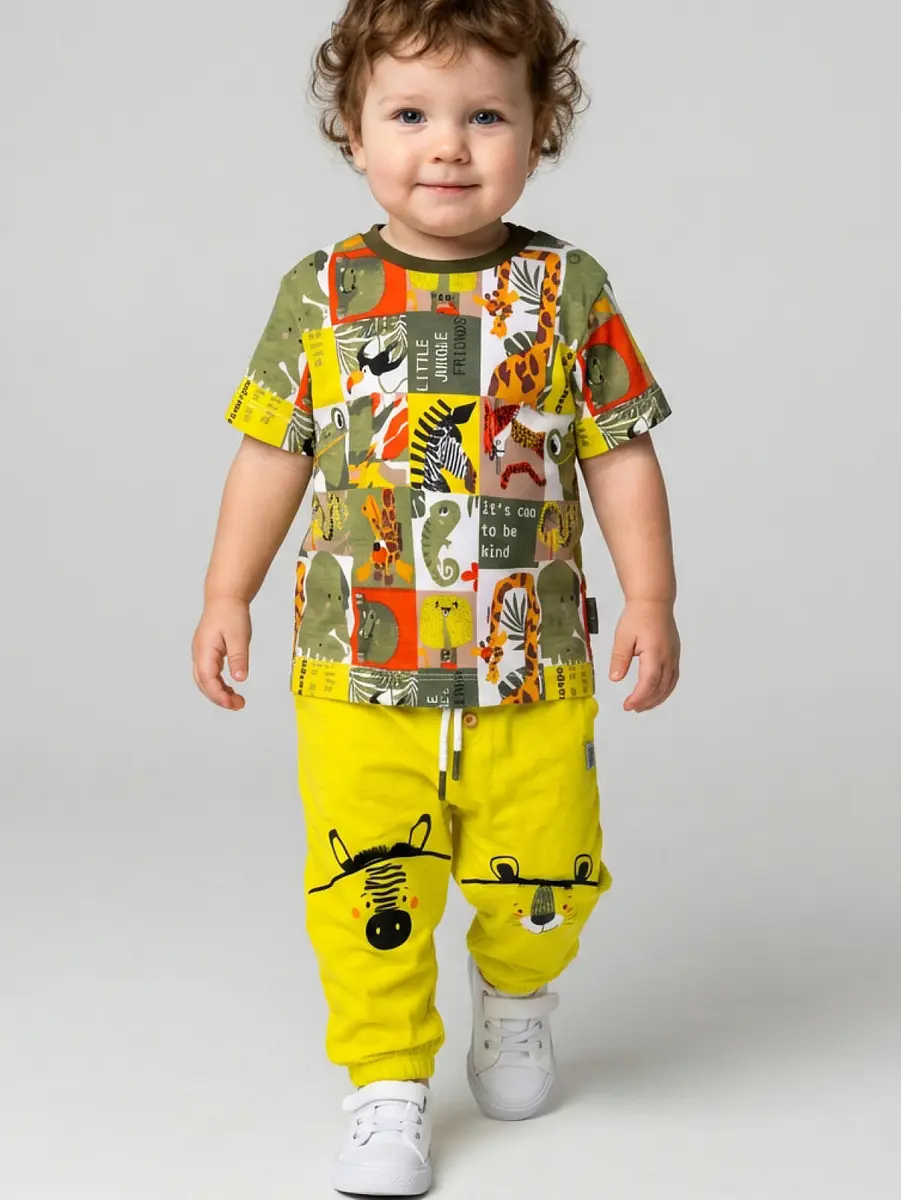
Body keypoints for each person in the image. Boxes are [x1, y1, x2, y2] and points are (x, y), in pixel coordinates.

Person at [192, 0, 681, 1193]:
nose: (448, 146)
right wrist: (226, 592)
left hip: (530, 664)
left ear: (538, 128)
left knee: (549, 868)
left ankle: (516, 994)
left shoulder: (566, 289)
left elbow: (620, 451)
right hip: (359, 665)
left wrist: (650, 598)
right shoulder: (324, 292)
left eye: (486, 117)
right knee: (370, 879)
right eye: (409, 115)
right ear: (354, 131)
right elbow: (270, 453)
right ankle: (386, 1082)